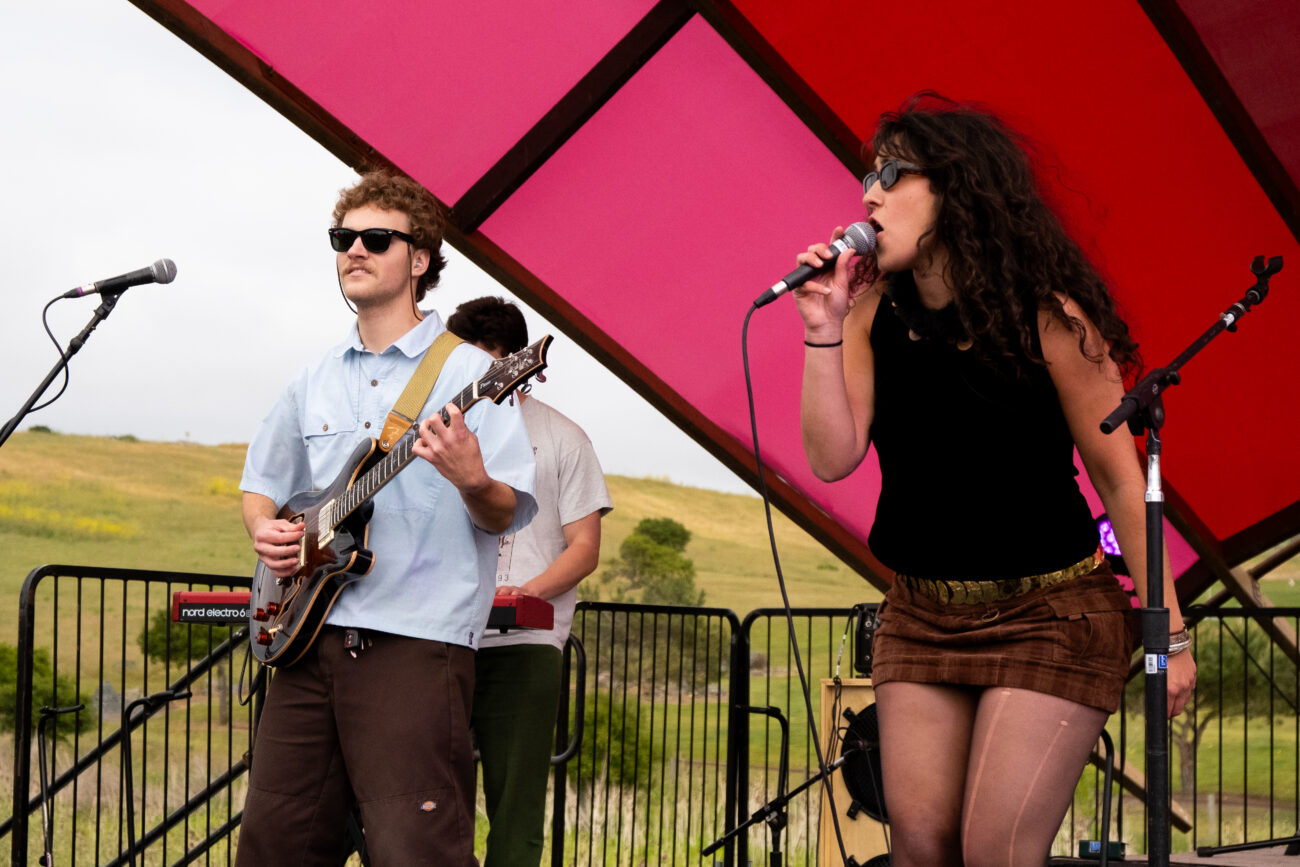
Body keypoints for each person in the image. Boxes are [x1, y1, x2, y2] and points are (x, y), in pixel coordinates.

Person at [792, 94, 1197, 867]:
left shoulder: (1049, 318)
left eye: (893, 174)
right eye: (867, 176)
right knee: (920, 845)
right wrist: (822, 330)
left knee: (996, 849)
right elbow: (832, 456)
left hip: (1050, 611)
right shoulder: (871, 312)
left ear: (956, 188)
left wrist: (1170, 634)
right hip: (922, 611)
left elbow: (1121, 482)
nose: (869, 194)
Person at [235, 172, 537, 866]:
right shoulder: (313, 377)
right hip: (306, 637)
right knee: (273, 845)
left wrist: (472, 478)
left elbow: (506, 509)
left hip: (416, 642)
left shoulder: (469, 373)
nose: (354, 250)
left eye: (376, 238)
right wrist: (264, 530)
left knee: (415, 851)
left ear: (420, 257)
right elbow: (261, 484)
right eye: (343, 238)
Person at [446, 296, 612, 867]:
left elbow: (585, 548)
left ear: (516, 363)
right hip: (443, 635)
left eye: (482, 364)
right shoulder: (438, 436)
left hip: (524, 640)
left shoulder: (564, 437)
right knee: (425, 802)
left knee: (515, 810)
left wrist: (528, 592)